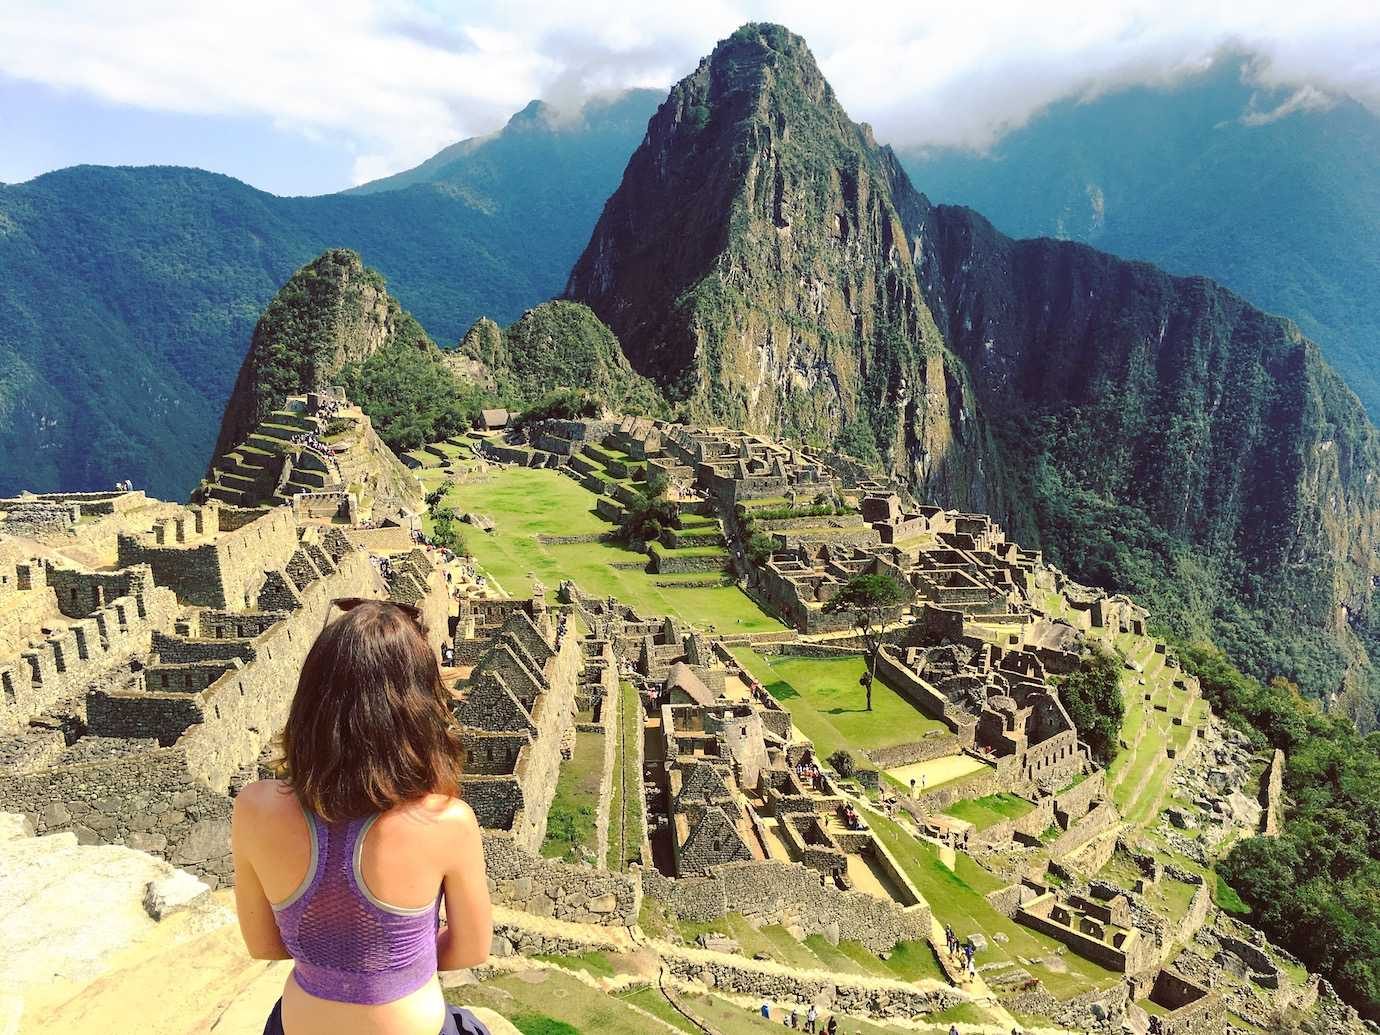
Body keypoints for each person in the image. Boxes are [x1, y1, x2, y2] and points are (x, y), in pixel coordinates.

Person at [230, 597, 494, 1035]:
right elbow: (469, 949)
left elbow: (264, 945)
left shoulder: (254, 808)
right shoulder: (447, 822)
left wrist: (335, 962)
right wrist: (395, 964)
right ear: (420, 703)